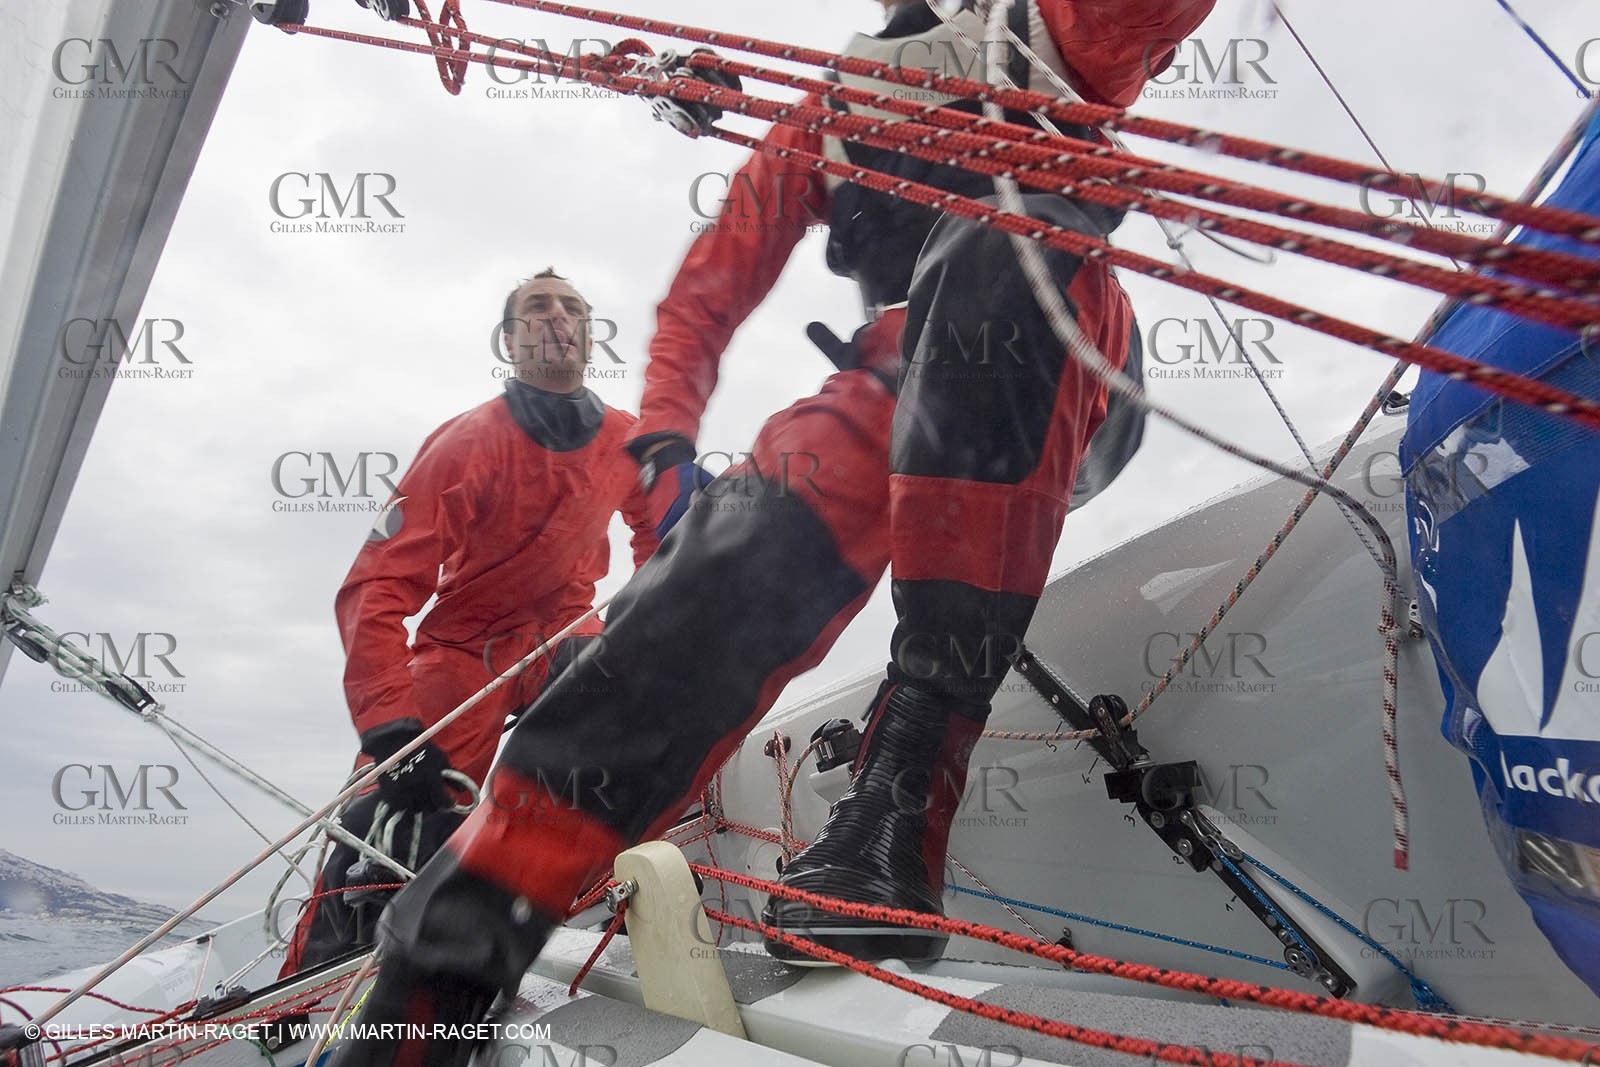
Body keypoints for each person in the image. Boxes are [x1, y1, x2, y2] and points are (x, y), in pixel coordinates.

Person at [329, 3, 1215, 1062]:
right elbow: (710, 286)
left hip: (1062, 352)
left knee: (993, 254)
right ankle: (434, 986)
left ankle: (899, 807)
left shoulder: (1051, 31)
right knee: (721, 565)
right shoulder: (831, 104)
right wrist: (664, 441)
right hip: (888, 384)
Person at [278, 268, 666, 975]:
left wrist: (648, 621)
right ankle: (311, 981)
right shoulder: (465, 443)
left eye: (572, 308)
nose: (557, 317)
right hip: (463, 650)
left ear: (588, 333)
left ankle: (607, 895)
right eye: (536, 307)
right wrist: (386, 719)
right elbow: (379, 581)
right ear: (510, 339)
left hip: (564, 635)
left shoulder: (629, 442)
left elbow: (664, 540)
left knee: (639, 710)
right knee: (390, 815)